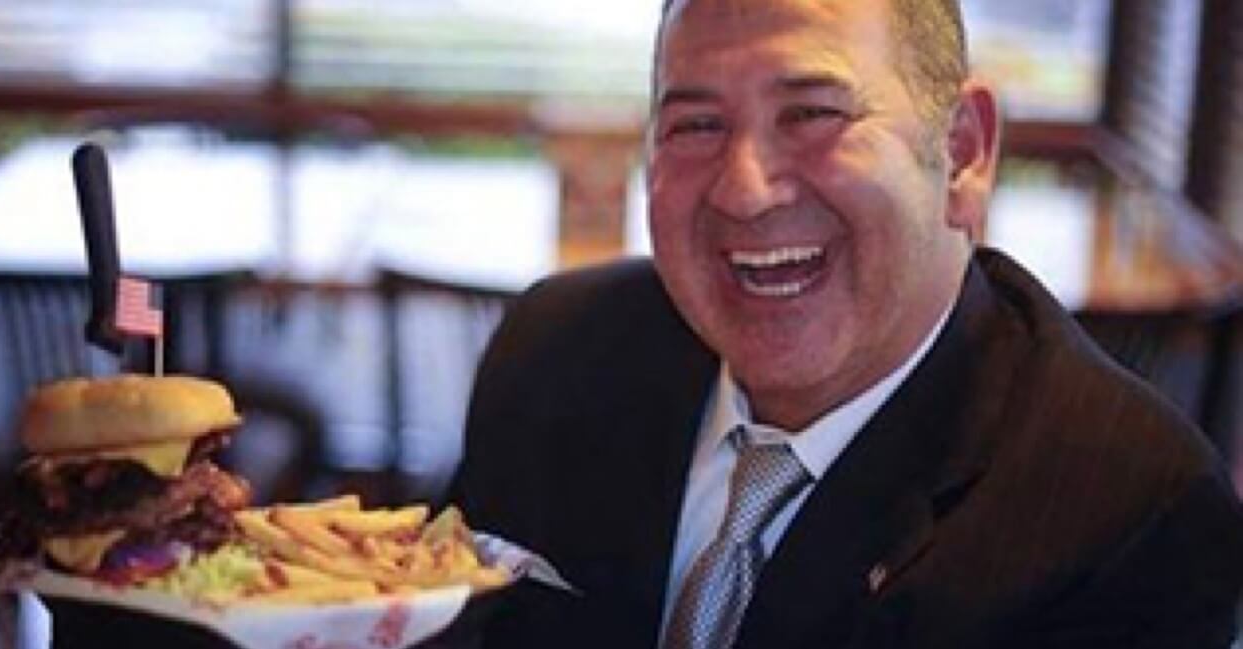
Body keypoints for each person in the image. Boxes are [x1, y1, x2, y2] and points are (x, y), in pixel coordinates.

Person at [449, 0, 1243, 647]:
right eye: (697, 125)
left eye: (812, 113)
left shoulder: (1132, 513)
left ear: (963, 155)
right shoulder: (551, 353)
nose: (746, 190)